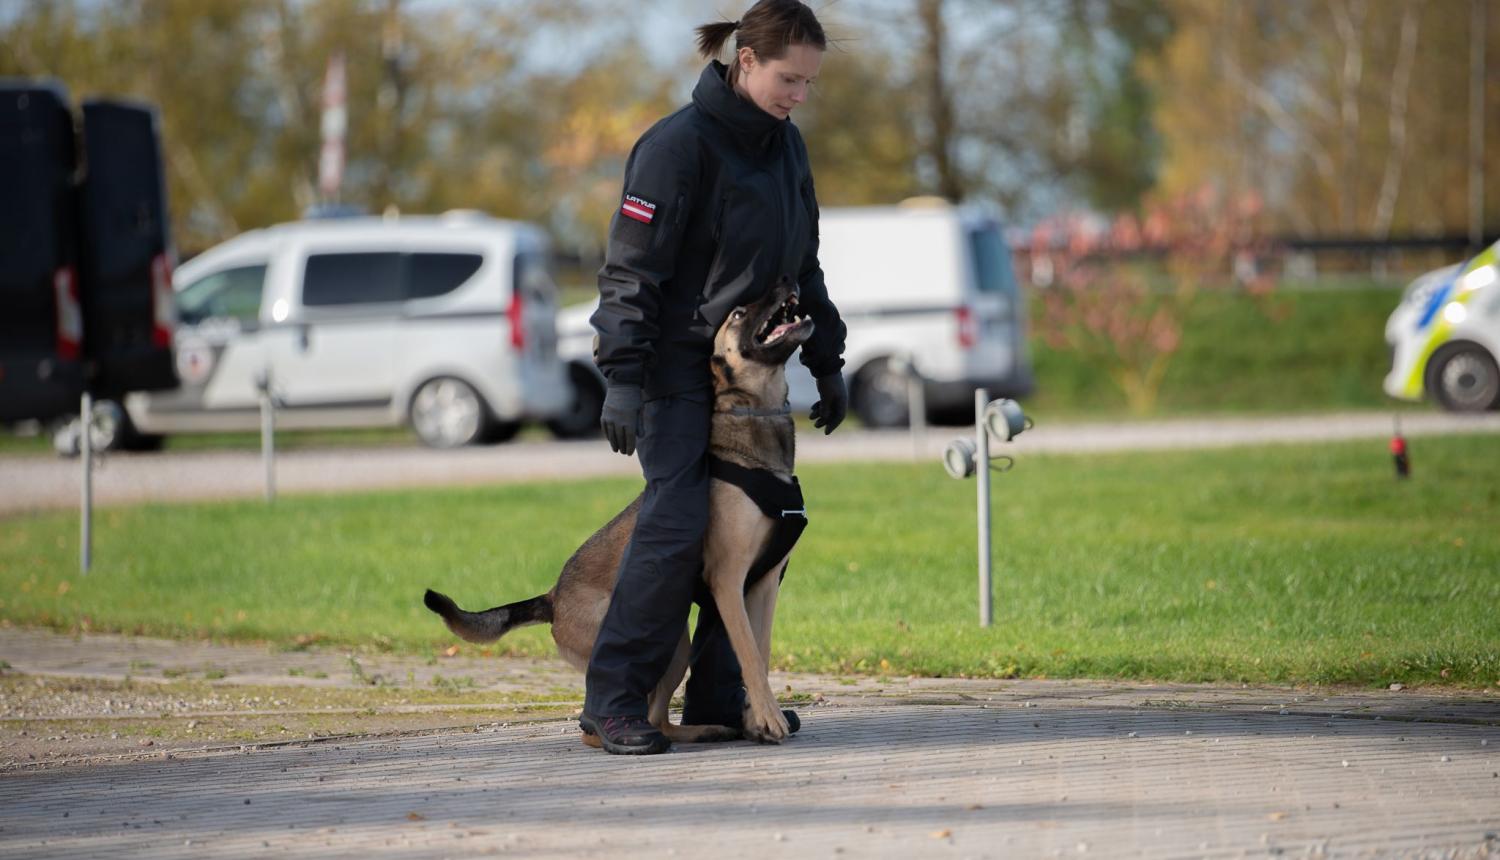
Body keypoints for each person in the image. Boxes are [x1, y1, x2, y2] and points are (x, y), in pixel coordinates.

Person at [581, 0, 848, 755]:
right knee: (672, 523)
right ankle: (614, 702)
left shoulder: (787, 151)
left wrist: (828, 359)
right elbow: (630, 273)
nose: (799, 95)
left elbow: (805, 266)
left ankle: (725, 699)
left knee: (762, 532)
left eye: (809, 84)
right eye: (789, 79)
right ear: (747, 61)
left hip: (751, 372)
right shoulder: (676, 148)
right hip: (674, 369)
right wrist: (623, 379)